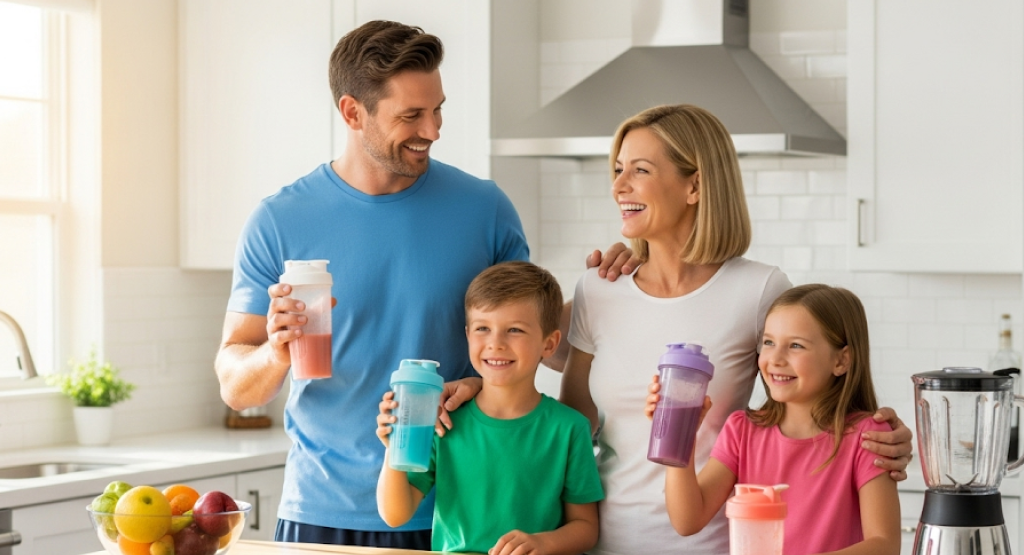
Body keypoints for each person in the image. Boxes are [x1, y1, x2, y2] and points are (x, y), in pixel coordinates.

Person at [214, 20, 629, 549]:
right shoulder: (279, 221)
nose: (432, 130)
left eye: (437, 110)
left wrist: (617, 288)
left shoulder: (483, 209)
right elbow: (234, 383)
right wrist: (276, 352)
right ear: (352, 112)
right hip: (322, 511)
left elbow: (536, 343)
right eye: (411, 115)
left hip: (458, 515)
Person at [558, 104, 913, 555]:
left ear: (696, 185)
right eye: (617, 169)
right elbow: (567, 430)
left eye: (640, 170)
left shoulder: (758, 288)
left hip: (714, 541)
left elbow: (805, 391)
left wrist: (875, 433)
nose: (618, 186)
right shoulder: (599, 288)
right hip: (601, 541)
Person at [644, 284, 900, 555]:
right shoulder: (742, 431)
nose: (775, 359)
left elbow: (885, 545)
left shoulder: (868, 436)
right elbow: (687, 520)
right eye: (768, 342)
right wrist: (680, 433)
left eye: (796, 346)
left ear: (841, 360)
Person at [375, 261, 603, 554]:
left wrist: (542, 543)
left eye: (515, 330)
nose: (495, 343)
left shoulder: (569, 428)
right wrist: (394, 446)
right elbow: (395, 514)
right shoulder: (442, 421)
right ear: (468, 334)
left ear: (549, 344)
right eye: (483, 328)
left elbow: (586, 528)